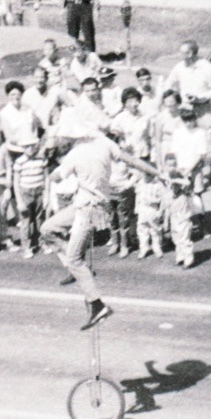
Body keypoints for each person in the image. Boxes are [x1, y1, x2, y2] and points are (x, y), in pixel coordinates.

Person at [44, 126, 159, 329]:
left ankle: (97, 304)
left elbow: (56, 178)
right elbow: (133, 160)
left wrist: (53, 169)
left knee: (73, 258)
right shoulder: (105, 142)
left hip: (90, 210)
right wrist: (160, 174)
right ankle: (79, 270)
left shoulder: (74, 154)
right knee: (47, 229)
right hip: (82, 205)